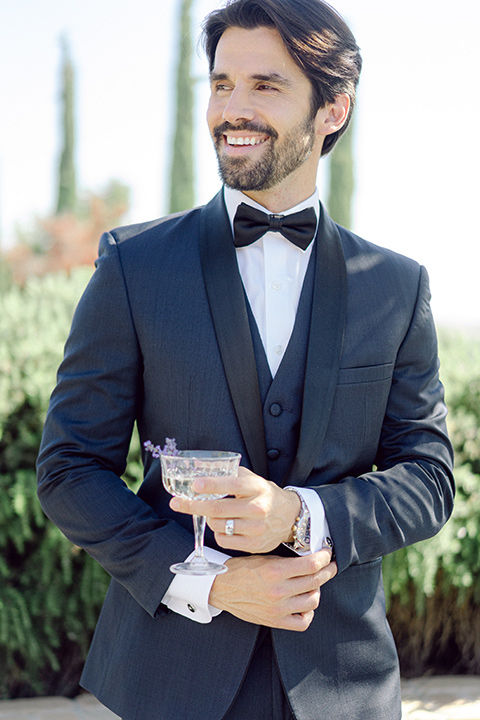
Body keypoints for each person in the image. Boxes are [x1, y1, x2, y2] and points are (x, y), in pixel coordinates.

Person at [37, 0, 454, 718]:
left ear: (332, 111)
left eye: (266, 85)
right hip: (170, 683)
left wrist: (300, 515)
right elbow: (69, 469)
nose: (233, 108)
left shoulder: (396, 287)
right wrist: (211, 583)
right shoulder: (134, 266)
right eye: (222, 83)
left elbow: (429, 477)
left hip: (342, 686)